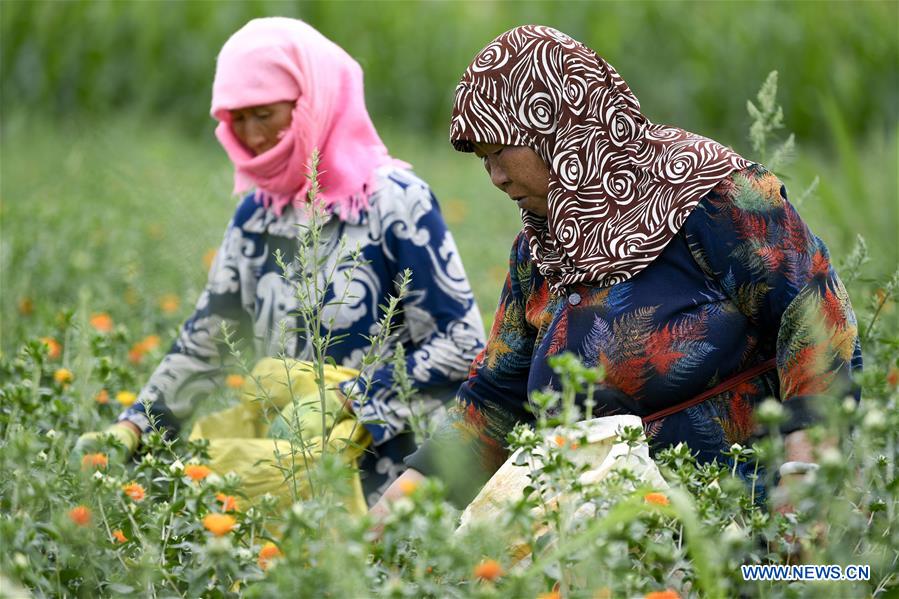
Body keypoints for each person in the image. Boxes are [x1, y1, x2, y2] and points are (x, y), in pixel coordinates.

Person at [371, 25, 862, 515]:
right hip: (592, 542)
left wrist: (802, 488)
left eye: (500, 151)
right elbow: (494, 401)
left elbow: (816, 322)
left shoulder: (714, 197)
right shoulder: (540, 249)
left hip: (732, 518)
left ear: (558, 125)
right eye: (483, 160)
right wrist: (390, 518)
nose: (496, 177)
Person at [76, 17, 485, 505]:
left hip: (390, 471)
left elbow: (463, 343)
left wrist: (348, 396)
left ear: (312, 100)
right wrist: (134, 424)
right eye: (236, 119)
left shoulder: (396, 204)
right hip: (285, 463)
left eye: (264, 114)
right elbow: (207, 338)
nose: (251, 136)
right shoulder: (258, 214)